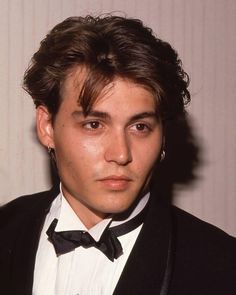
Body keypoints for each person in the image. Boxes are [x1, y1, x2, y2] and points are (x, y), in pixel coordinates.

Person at [0, 15, 235, 295]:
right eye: (94, 125)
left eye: (140, 127)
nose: (121, 154)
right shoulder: (6, 231)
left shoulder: (222, 265)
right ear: (47, 127)